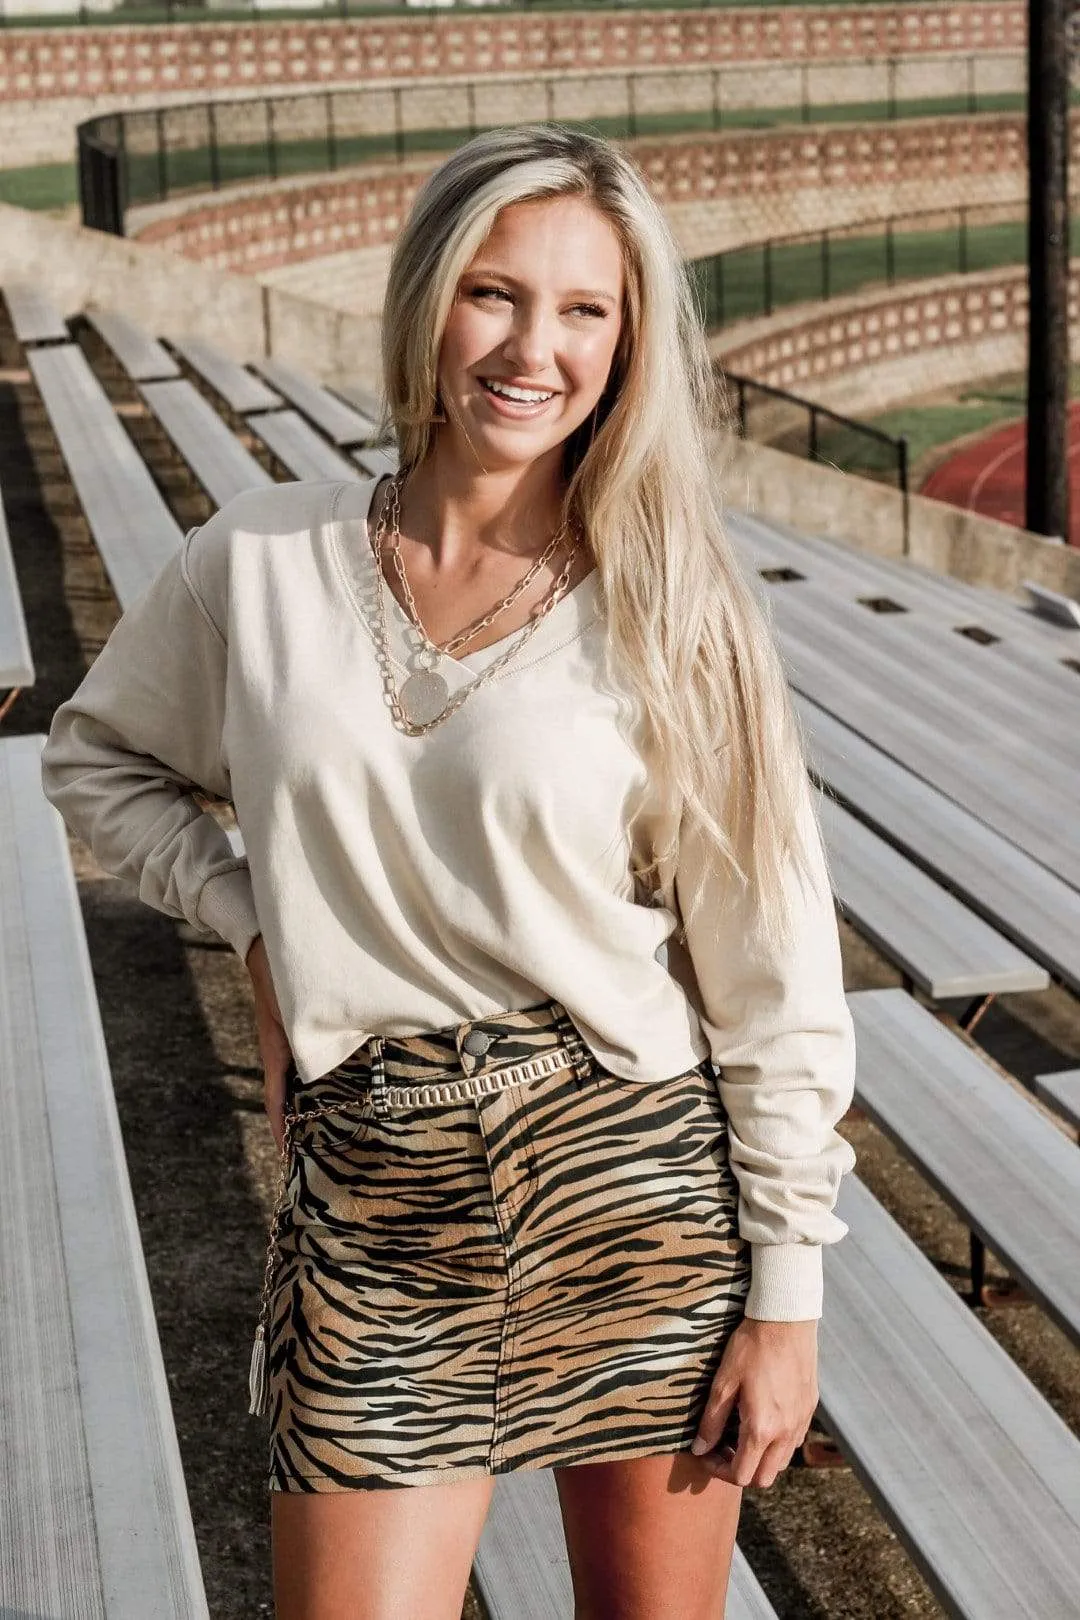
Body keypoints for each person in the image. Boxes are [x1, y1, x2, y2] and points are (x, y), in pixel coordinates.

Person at [40, 124, 857, 1620]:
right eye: (495, 293)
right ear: (428, 300)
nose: (532, 346)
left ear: (629, 341)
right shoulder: (261, 559)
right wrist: (255, 926)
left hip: (630, 1179)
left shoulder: (675, 607)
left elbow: (774, 971)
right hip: (375, 1198)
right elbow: (98, 760)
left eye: (584, 310)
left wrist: (787, 1297)